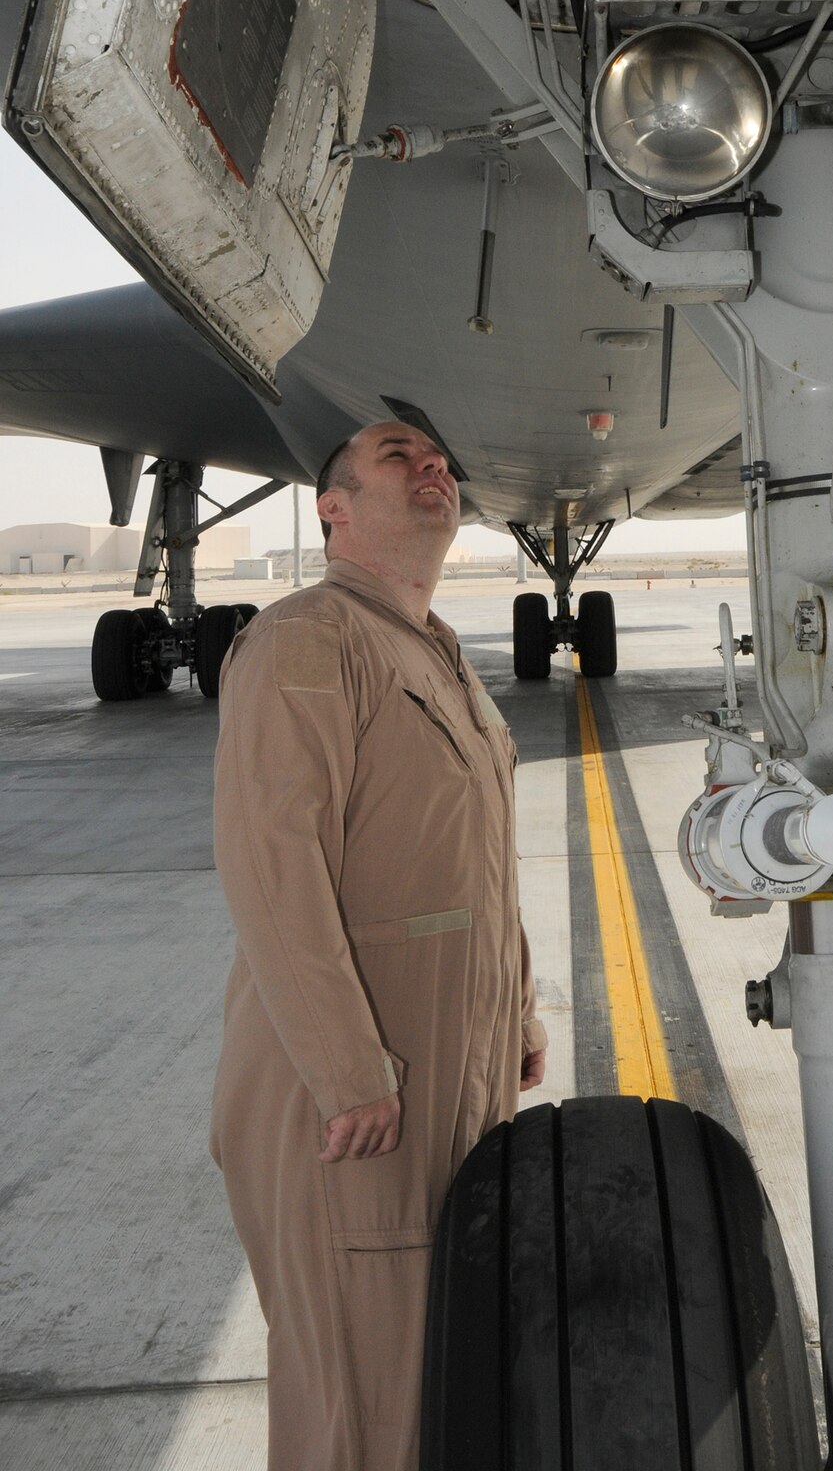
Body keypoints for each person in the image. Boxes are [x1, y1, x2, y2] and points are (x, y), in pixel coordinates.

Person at [209, 420, 546, 1471]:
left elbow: (463, 855)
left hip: (444, 1076)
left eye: (442, 455)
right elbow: (272, 864)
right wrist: (348, 1071)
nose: (433, 463)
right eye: (398, 454)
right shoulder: (308, 637)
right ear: (334, 508)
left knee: (432, 1389)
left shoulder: (431, 648)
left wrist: (516, 1006)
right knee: (360, 1412)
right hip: (354, 1103)